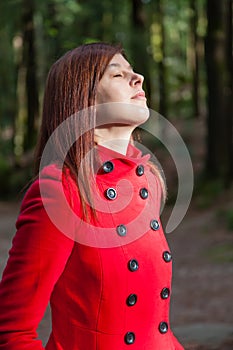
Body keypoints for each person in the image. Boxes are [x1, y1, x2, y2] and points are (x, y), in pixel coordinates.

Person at [0, 42, 184, 349]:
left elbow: (153, 328)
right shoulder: (60, 191)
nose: (137, 77)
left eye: (133, 71)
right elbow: (12, 332)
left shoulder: (147, 180)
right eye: (117, 74)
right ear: (83, 98)